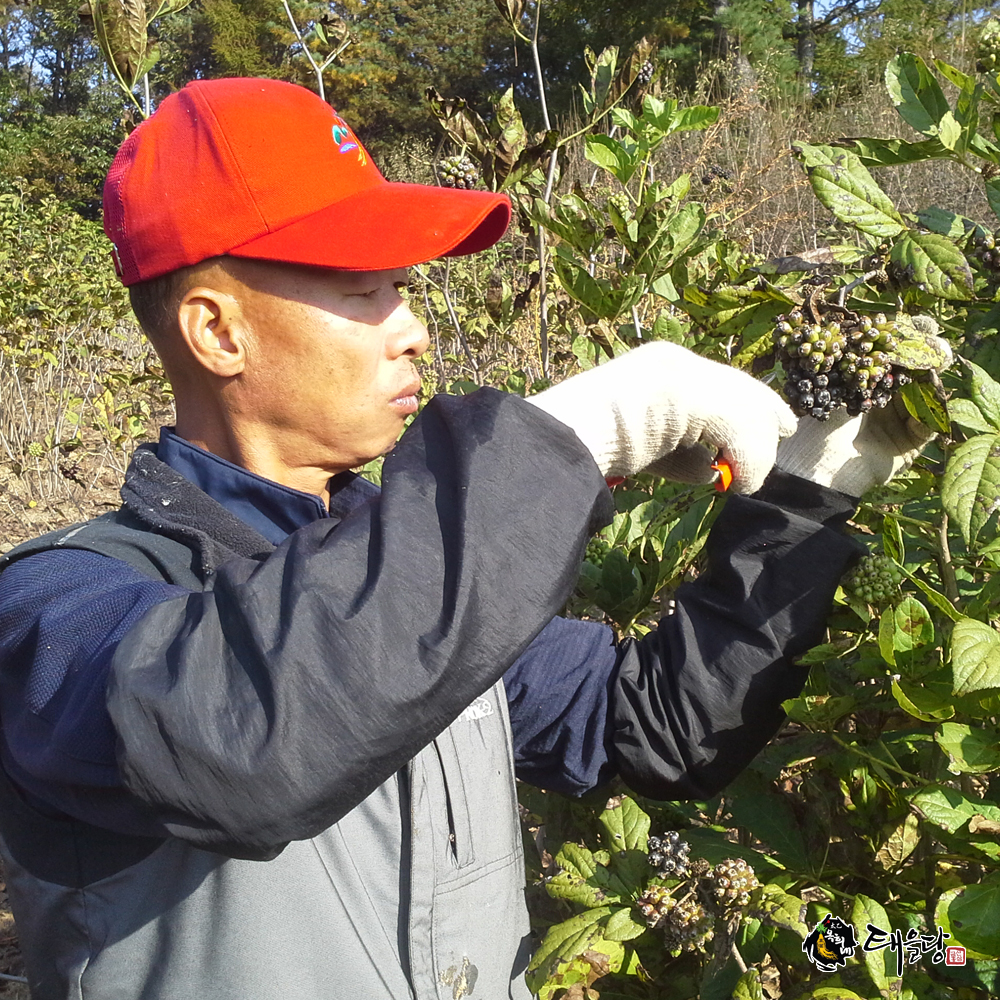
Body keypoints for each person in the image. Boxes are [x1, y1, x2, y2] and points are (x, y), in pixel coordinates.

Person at [0, 78, 940, 1000]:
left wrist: (806, 498)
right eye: (364, 290)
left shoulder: (411, 579)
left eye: (404, 288)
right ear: (217, 331)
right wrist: (568, 443)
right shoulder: (56, 609)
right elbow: (240, 740)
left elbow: (658, 726)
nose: (411, 327)